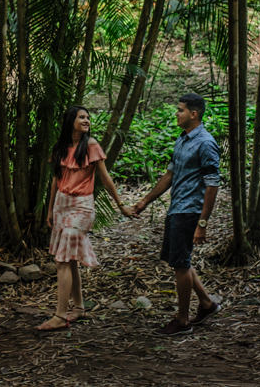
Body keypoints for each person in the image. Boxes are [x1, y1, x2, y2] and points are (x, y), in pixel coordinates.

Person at [131, 92, 222, 335]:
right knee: (180, 262)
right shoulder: (182, 140)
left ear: (194, 114)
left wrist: (202, 223)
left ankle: (182, 321)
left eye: (180, 110)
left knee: (181, 265)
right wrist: (145, 201)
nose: (176, 113)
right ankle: (207, 303)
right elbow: (170, 175)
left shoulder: (205, 142)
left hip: (190, 210)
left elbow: (212, 184)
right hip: (177, 208)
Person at [38, 105, 133, 331]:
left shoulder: (90, 145)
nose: (86, 120)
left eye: (88, 117)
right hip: (62, 204)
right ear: (70, 120)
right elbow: (56, 180)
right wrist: (50, 209)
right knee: (69, 259)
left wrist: (120, 204)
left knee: (62, 260)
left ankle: (60, 315)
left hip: (81, 206)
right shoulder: (61, 147)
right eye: (82, 117)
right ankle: (78, 307)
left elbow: (106, 178)